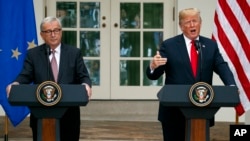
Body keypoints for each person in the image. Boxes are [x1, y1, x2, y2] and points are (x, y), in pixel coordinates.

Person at [146, 8, 236, 141]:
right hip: (174, 112)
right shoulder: (169, 45)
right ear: (181, 26)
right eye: (188, 22)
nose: (192, 25)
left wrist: (231, 86)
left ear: (200, 23)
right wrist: (153, 66)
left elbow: (221, 66)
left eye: (195, 21)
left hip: (202, 110)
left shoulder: (210, 46)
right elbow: (154, 75)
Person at [6, 16, 92, 141]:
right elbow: (25, 75)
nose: (53, 34)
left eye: (56, 30)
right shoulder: (33, 54)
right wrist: (16, 83)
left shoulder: (74, 53)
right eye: (48, 31)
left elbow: (83, 76)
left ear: (61, 32)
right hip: (41, 114)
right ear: (42, 35)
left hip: (69, 115)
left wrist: (86, 84)